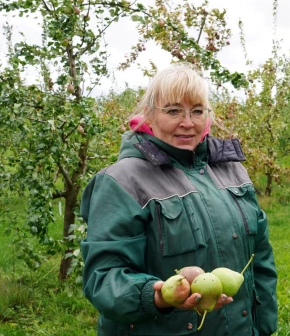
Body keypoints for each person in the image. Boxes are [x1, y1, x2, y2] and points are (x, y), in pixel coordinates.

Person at [80, 64, 278, 335]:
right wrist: (157, 296)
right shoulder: (123, 181)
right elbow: (103, 278)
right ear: (149, 115)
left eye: (197, 111)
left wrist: (264, 326)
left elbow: (261, 257)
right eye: (173, 111)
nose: (188, 122)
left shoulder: (232, 170)